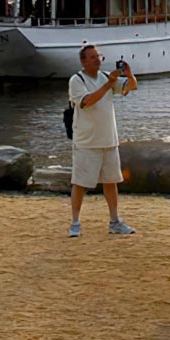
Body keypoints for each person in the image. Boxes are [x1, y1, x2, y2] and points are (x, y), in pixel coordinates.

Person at [66, 44, 138, 238]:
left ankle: (114, 221)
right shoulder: (77, 80)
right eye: (92, 57)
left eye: (98, 56)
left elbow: (130, 87)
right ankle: (75, 222)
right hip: (86, 140)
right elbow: (87, 101)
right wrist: (108, 84)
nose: (97, 60)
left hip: (108, 139)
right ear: (83, 61)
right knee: (80, 183)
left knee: (111, 181)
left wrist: (129, 75)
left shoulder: (106, 76)